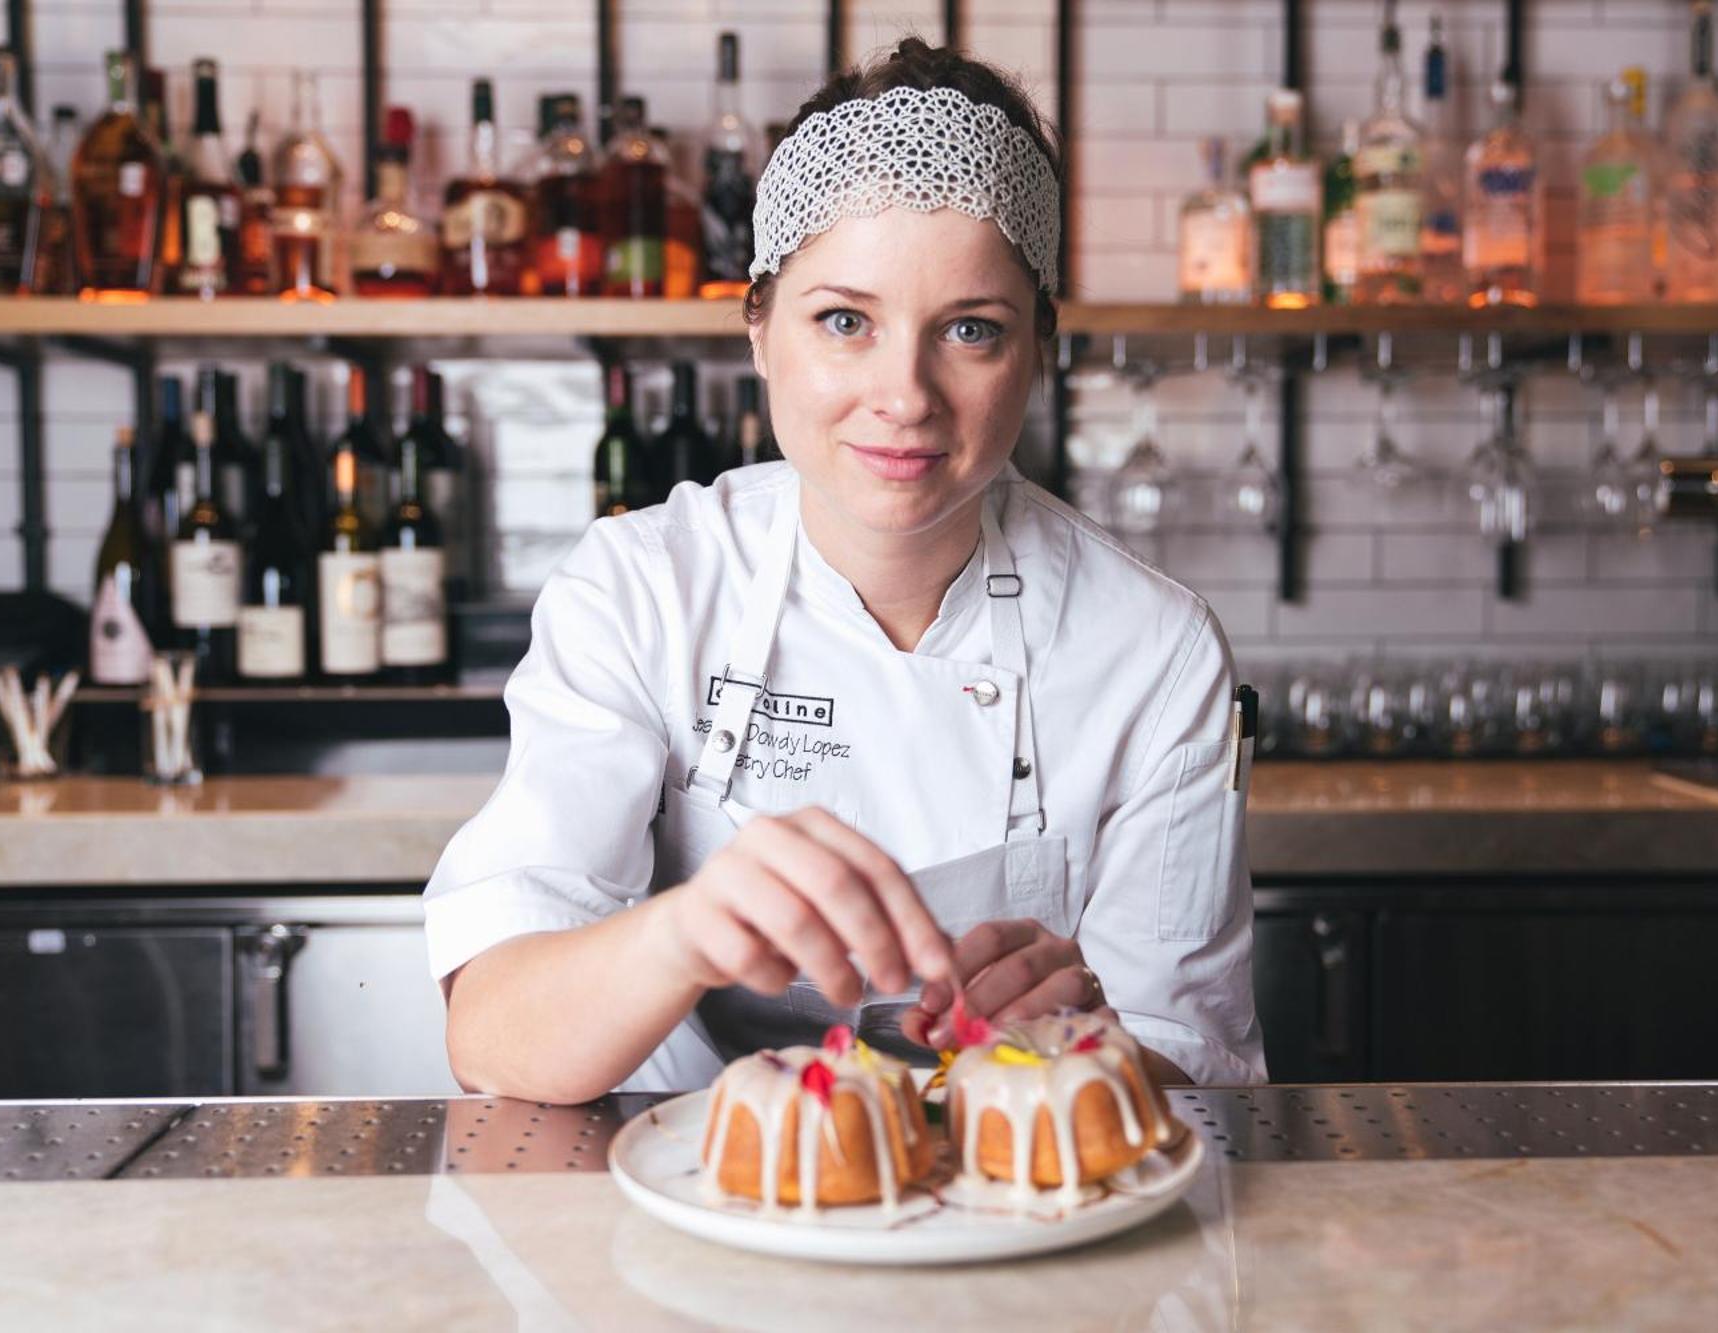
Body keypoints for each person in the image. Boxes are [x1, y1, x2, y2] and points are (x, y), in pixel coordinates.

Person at [426, 38, 1265, 1103]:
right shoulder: (641, 589)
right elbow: (493, 1036)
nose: (903, 393)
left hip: (1022, 1218)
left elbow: (1193, 1077)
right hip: (682, 1213)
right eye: (843, 321)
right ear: (759, 331)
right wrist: (685, 928)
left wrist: (1087, 1045)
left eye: (970, 329)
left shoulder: (1151, 646)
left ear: (1039, 353)